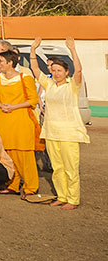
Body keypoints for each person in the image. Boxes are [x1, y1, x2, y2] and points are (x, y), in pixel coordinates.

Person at [31, 37, 88, 210]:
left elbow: (78, 71)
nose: (56, 73)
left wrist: (72, 49)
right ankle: (62, 196)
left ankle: (73, 199)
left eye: (59, 70)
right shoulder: (49, 84)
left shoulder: (72, 86)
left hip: (69, 133)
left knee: (71, 168)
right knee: (57, 168)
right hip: (51, 132)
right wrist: (33, 50)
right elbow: (35, 70)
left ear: (66, 72)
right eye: (54, 70)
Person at [0, 48, 40, 197]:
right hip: (3, 120)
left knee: (24, 155)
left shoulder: (25, 78)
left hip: (21, 119)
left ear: (10, 62)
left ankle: (31, 187)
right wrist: (1, 105)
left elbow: (33, 100)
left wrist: (14, 106)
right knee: (7, 154)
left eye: (1, 61)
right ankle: (13, 184)